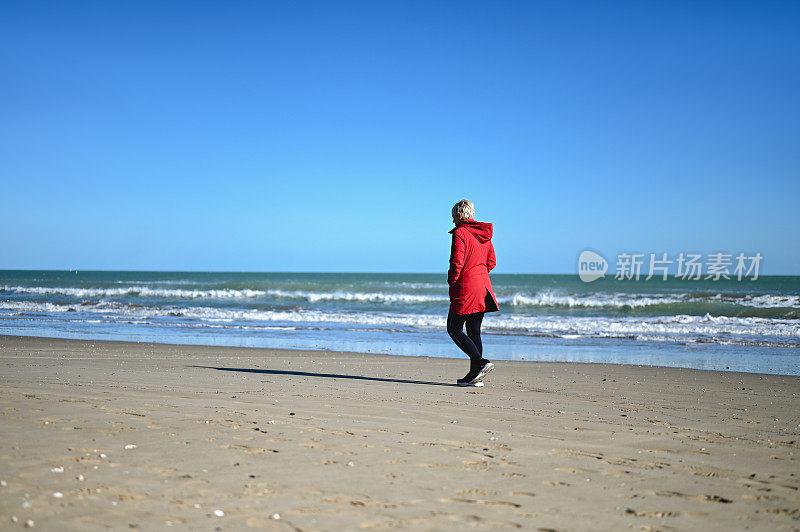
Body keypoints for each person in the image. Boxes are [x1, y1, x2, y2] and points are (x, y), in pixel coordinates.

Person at [446, 199, 499, 386]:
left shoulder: (460, 232)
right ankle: (475, 376)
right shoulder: (483, 234)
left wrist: (452, 281)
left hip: (466, 288)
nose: (452, 220)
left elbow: (457, 263)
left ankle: (480, 363)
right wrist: (478, 274)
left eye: (453, 216)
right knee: (474, 332)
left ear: (459, 215)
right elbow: (491, 261)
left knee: (453, 328)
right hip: (483, 288)